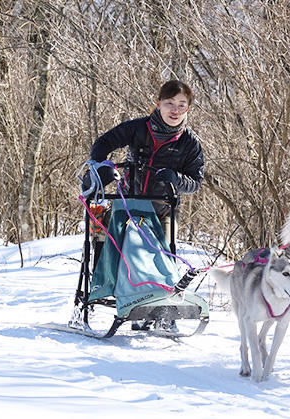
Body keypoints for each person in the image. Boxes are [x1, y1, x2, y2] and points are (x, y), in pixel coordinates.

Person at [84, 80, 205, 333]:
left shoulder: (190, 143)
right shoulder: (139, 128)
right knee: (110, 250)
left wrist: (176, 178)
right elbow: (103, 143)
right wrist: (102, 166)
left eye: (181, 105)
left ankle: (161, 307)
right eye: (169, 103)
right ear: (158, 104)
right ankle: (108, 295)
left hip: (162, 208)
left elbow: (195, 182)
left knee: (163, 256)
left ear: (188, 109)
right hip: (126, 204)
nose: (175, 109)